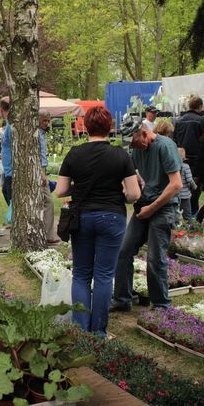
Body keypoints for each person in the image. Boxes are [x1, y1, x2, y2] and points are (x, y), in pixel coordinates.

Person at [55, 107, 140, 336]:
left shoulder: (74, 153)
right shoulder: (120, 155)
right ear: (109, 127)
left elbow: (61, 190)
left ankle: (80, 330)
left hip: (81, 217)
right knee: (104, 276)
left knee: (81, 274)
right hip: (112, 216)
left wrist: (79, 187)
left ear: (85, 127)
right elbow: (134, 194)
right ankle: (99, 332)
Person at [111, 120, 182, 312]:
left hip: (164, 208)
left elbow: (176, 185)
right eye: (130, 145)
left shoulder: (165, 146)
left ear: (144, 132)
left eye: (134, 142)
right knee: (123, 252)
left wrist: (152, 207)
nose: (133, 147)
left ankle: (161, 305)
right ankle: (122, 299)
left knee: (154, 258)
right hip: (145, 205)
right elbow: (131, 177)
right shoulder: (137, 151)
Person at [173, 96, 204, 215]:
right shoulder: (201, 120)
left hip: (181, 159)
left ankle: (181, 212)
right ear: (200, 106)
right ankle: (193, 212)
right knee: (195, 186)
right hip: (197, 159)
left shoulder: (178, 120)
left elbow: (175, 139)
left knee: (181, 186)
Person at [38, 110, 59, 244]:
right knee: (48, 202)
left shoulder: (40, 133)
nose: (46, 123)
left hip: (42, 169)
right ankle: (48, 235)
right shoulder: (36, 134)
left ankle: (44, 233)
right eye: (44, 120)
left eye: (48, 120)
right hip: (40, 170)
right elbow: (34, 155)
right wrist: (41, 173)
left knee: (43, 202)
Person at [0, 96, 12, 206]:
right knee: (5, 191)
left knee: (11, 200)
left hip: (11, 171)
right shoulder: (9, 124)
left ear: (1, 110)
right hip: (8, 170)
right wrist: (0, 156)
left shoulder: (10, 126)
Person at [178, 148, 197, 221]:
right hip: (185, 196)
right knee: (187, 216)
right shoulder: (186, 166)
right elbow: (189, 180)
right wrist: (194, 187)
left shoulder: (173, 166)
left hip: (175, 196)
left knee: (175, 216)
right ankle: (190, 230)